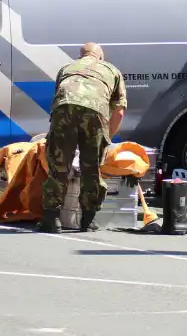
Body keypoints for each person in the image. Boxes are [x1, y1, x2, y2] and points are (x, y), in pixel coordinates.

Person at [38, 42, 127, 233]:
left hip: (64, 108)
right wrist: (106, 138)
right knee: (91, 167)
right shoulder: (112, 70)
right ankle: (88, 219)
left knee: (59, 165)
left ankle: (51, 218)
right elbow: (118, 112)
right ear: (100, 57)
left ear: (80, 57)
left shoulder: (67, 68)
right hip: (96, 112)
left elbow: (59, 99)